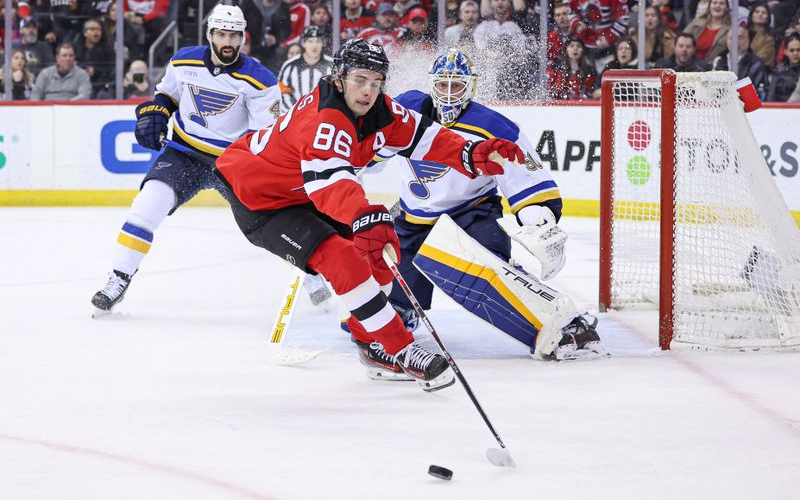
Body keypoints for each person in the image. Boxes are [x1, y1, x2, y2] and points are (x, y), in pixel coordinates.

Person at [214, 39, 528, 391]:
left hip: (303, 190)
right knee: (341, 257)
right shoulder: (326, 120)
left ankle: (371, 344)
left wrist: (473, 154)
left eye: (376, 82)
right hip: (261, 199)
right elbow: (330, 184)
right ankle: (401, 349)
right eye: (360, 80)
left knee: (381, 247)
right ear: (340, 78)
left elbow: (427, 137)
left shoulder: (383, 111)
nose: (368, 91)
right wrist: (363, 214)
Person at [381, 49, 605, 365]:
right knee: (380, 302)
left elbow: (525, 178)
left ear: (470, 87)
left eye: (455, 86)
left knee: (487, 272)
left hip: (469, 214)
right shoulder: (407, 109)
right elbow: (370, 148)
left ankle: (561, 324)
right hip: (412, 219)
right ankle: (401, 310)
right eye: (441, 85)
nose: (447, 94)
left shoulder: (493, 125)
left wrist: (540, 221)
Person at [90, 5, 281, 314]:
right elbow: (167, 94)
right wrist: (158, 111)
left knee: (271, 223)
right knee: (145, 207)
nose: (228, 41)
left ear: (244, 37)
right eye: (221, 34)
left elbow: (263, 136)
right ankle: (118, 279)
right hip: (183, 153)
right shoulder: (184, 61)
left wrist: (258, 171)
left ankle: (309, 276)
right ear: (210, 35)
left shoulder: (261, 80)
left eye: (234, 34)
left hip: (232, 162)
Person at [277, 26, 334, 113]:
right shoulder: (290, 66)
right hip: (295, 118)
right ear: (303, 43)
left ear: (323, 43)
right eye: (310, 41)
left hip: (324, 116)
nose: (314, 45)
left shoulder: (331, 65)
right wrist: (293, 114)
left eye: (318, 41)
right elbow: (282, 92)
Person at [712, 25, 769, 97]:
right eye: (731, 38)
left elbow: (758, 92)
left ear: (748, 40)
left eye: (740, 38)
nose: (735, 42)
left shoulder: (757, 64)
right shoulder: (720, 60)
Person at [683, 0, 731, 65]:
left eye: (722, 3)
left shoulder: (731, 30)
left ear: (727, 8)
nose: (718, 6)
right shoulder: (695, 24)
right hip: (690, 66)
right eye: (715, 3)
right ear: (709, 6)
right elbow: (682, 41)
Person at [767, 33, 800, 102]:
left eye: (798, 50)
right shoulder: (778, 71)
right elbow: (771, 98)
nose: (795, 53)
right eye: (792, 50)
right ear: (786, 52)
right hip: (781, 110)